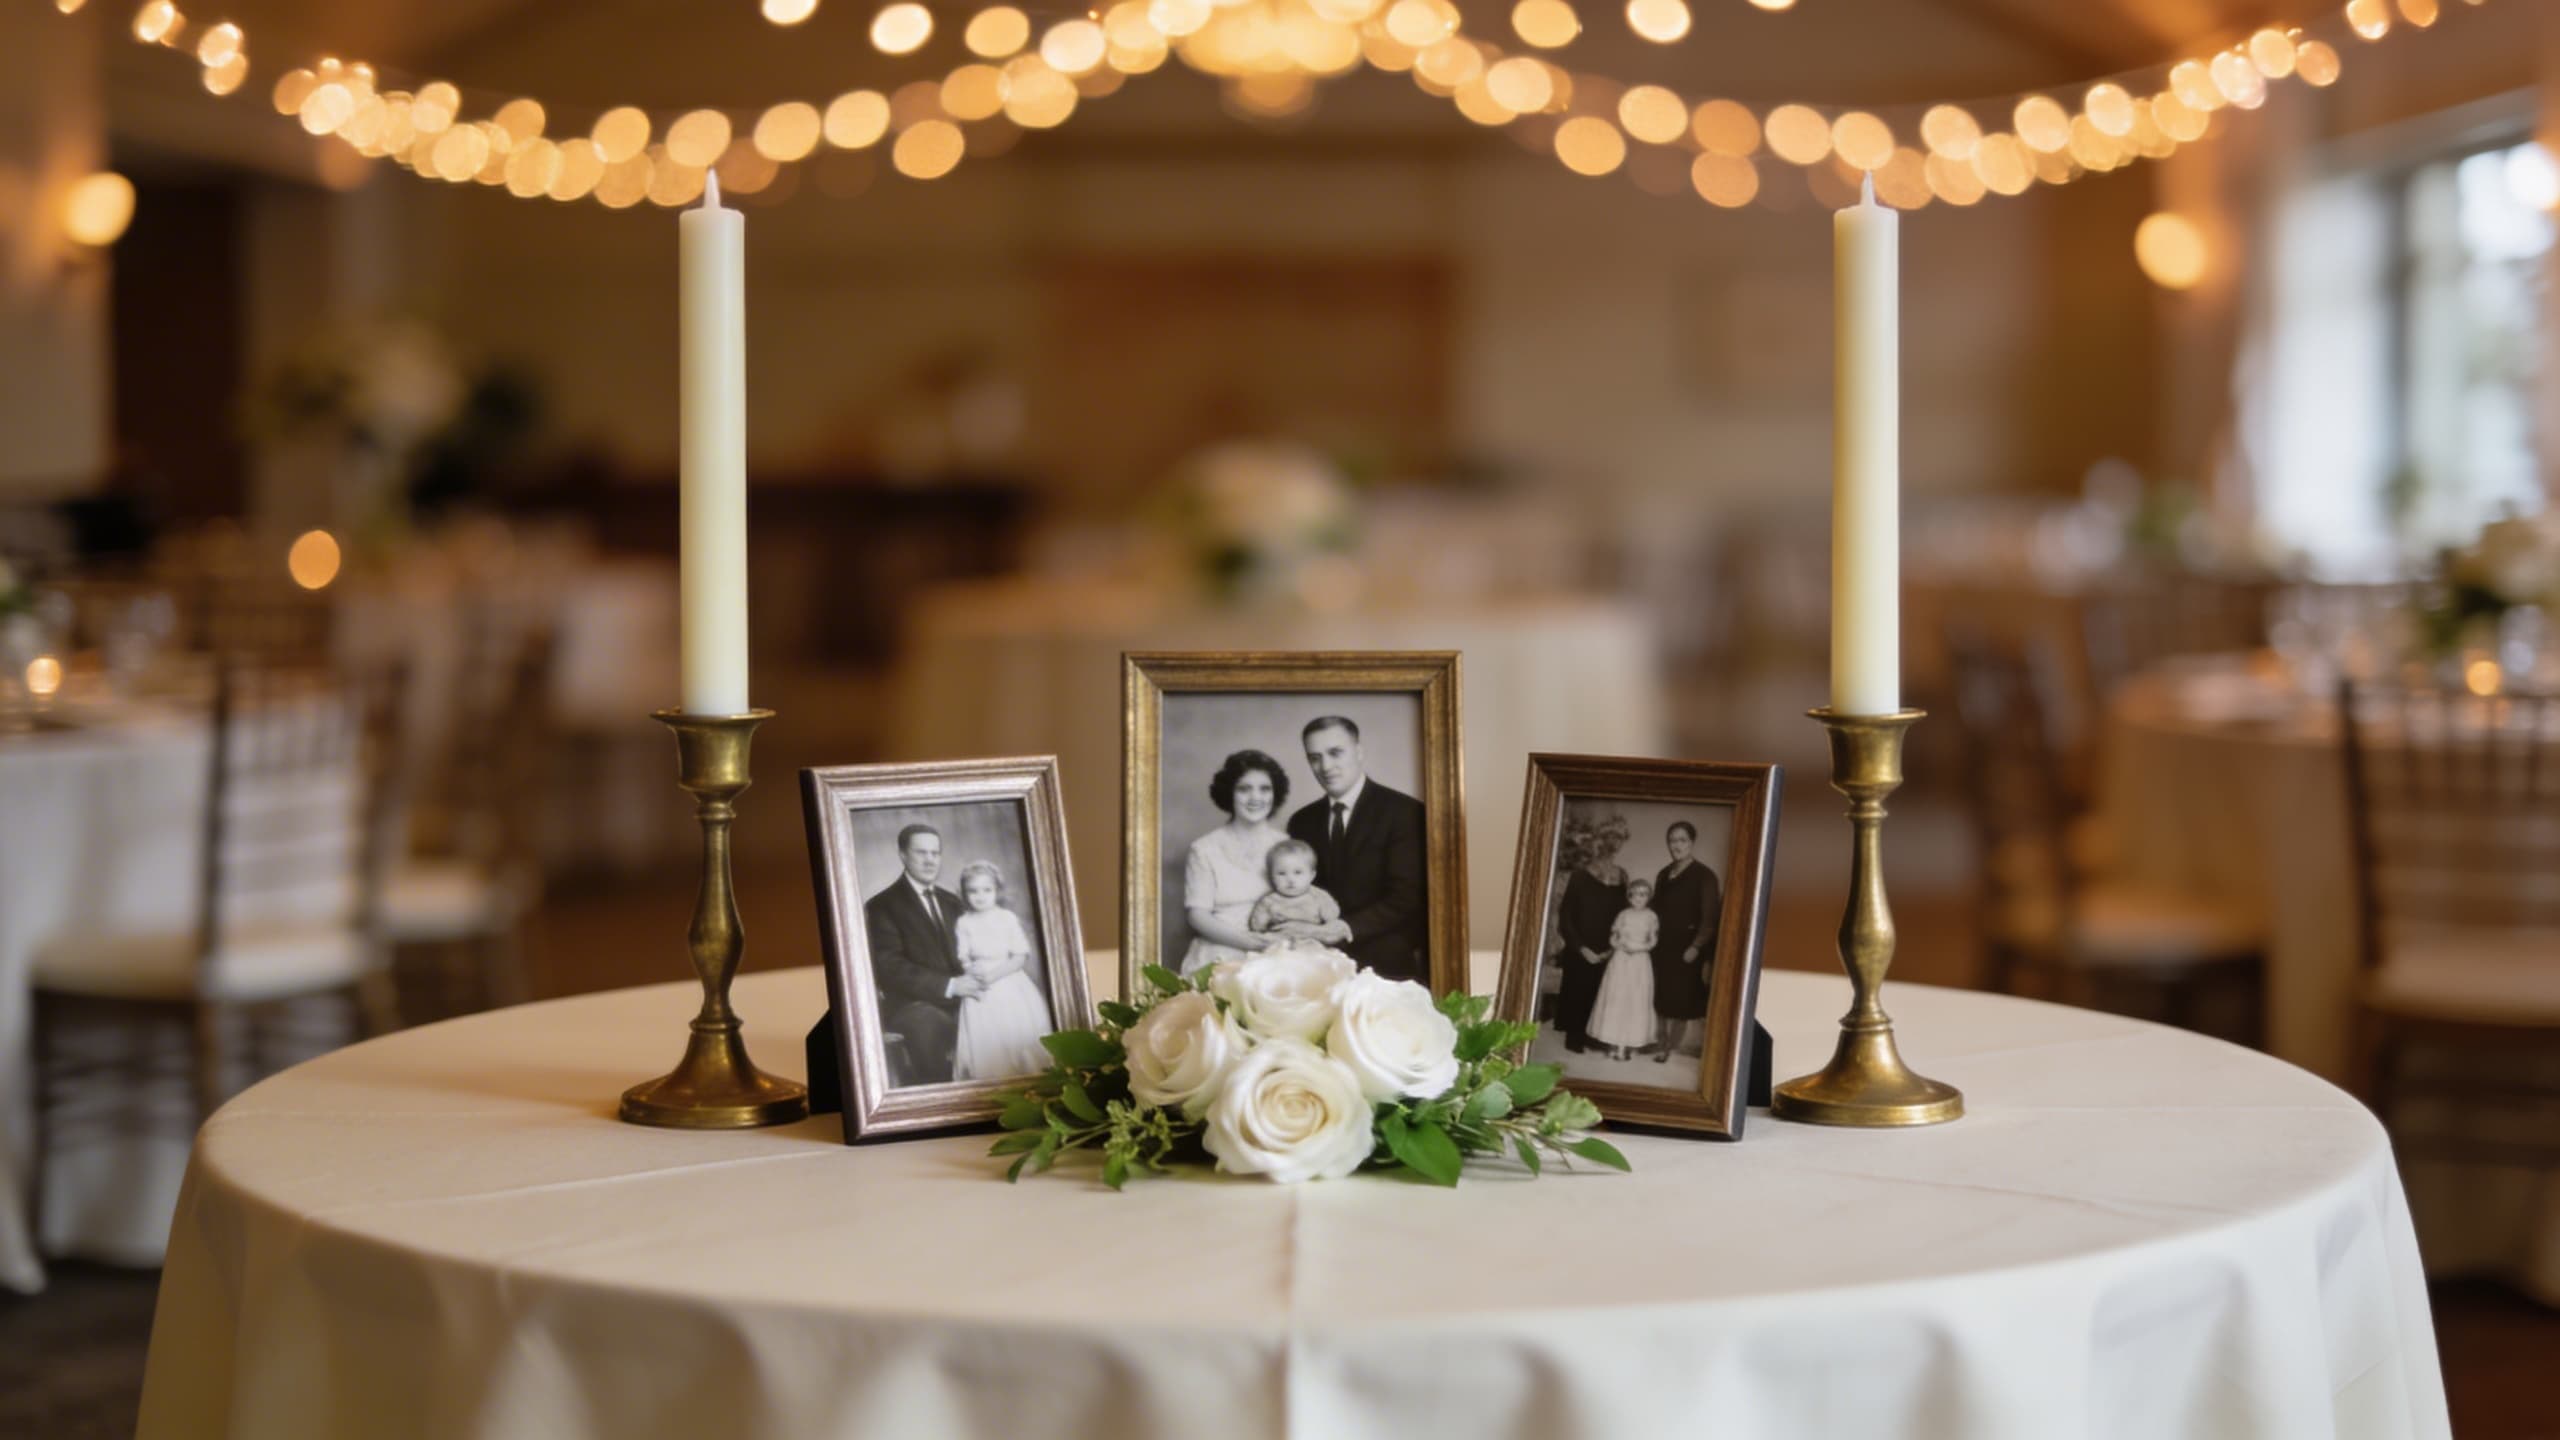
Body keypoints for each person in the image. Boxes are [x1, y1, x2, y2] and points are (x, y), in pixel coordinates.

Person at [1284, 715, 1428, 983]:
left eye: (1335, 753)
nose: (1325, 766)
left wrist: (1345, 928)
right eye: (1314, 757)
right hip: (1316, 960)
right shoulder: (1301, 822)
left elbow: (1407, 897)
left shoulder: (1405, 812)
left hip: (1385, 959)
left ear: (1359, 752)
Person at [864, 824, 970, 1086]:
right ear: (903, 855)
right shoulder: (882, 905)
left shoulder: (953, 902)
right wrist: (949, 985)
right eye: (921, 852)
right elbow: (889, 966)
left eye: (935, 853)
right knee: (927, 1023)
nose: (930, 860)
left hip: (960, 999)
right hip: (911, 1005)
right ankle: (939, 1108)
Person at [1178, 749, 1293, 975]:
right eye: (1244, 789)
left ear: (1275, 794)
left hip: (1274, 952)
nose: (1255, 798)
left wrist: (1274, 943)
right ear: (1229, 793)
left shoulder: (1286, 845)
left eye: (1264, 789)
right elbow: (1197, 915)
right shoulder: (1204, 849)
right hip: (1220, 950)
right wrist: (1249, 944)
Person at [950, 861, 1052, 1080]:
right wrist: (970, 970)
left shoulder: (1006, 918)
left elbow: (1019, 956)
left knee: (1015, 1032)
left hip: (1008, 978)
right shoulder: (964, 922)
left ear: (997, 890)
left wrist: (993, 976)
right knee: (987, 1038)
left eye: (987, 890)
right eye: (973, 891)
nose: (980, 896)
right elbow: (963, 955)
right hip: (980, 984)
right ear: (965, 894)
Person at [1551, 815, 1629, 1053]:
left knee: (1602, 991)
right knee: (1578, 988)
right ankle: (1574, 1036)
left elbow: (1623, 916)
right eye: (1608, 837)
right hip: (1580, 948)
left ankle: (1594, 1035)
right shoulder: (1580, 875)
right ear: (1599, 840)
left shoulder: (1623, 876)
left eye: (1619, 838)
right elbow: (1565, 918)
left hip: (1608, 949)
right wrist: (1582, 948)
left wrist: (1613, 948)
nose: (1613, 843)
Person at [1649, 819, 1723, 1062]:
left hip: (1687, 948)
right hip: (1662, 946)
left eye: (1682, 840)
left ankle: (1670, 1047)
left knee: (1680, 1001)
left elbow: (1710, 917)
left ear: (1691, 843)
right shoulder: (1663, 874)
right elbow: (1654, 909)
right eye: (1672, 840)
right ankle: (1660, 1043)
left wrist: (1696, 946)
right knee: (1659, 997)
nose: (1676, 845)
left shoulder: (1705, 876)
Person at [1587, 877, 1659, 1062]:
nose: (1638, 899)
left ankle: (1628, 1044)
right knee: (1617, 997)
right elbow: (1613, 937)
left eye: (1643, 895)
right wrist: (1619, 944)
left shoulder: (1651, 916)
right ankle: (1614, 1043)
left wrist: (1639, 948)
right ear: (1629, 897)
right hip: (1620, 959)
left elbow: (1653, 941)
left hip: (1639, 961)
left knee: (1635, 999)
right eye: (1634, 895)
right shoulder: (1623, 915)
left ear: (1648, 897)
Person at [1248, 839, 1340, 944]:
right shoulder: (1269, 901)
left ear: (1312, 875)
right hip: (1280, 943)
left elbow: (1332, 919)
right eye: (1282, 873)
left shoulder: (1318, 896)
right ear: (1271, 877)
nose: (1290, 880)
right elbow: (1257, 927)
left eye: (1298, 872)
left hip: (1312, 941)